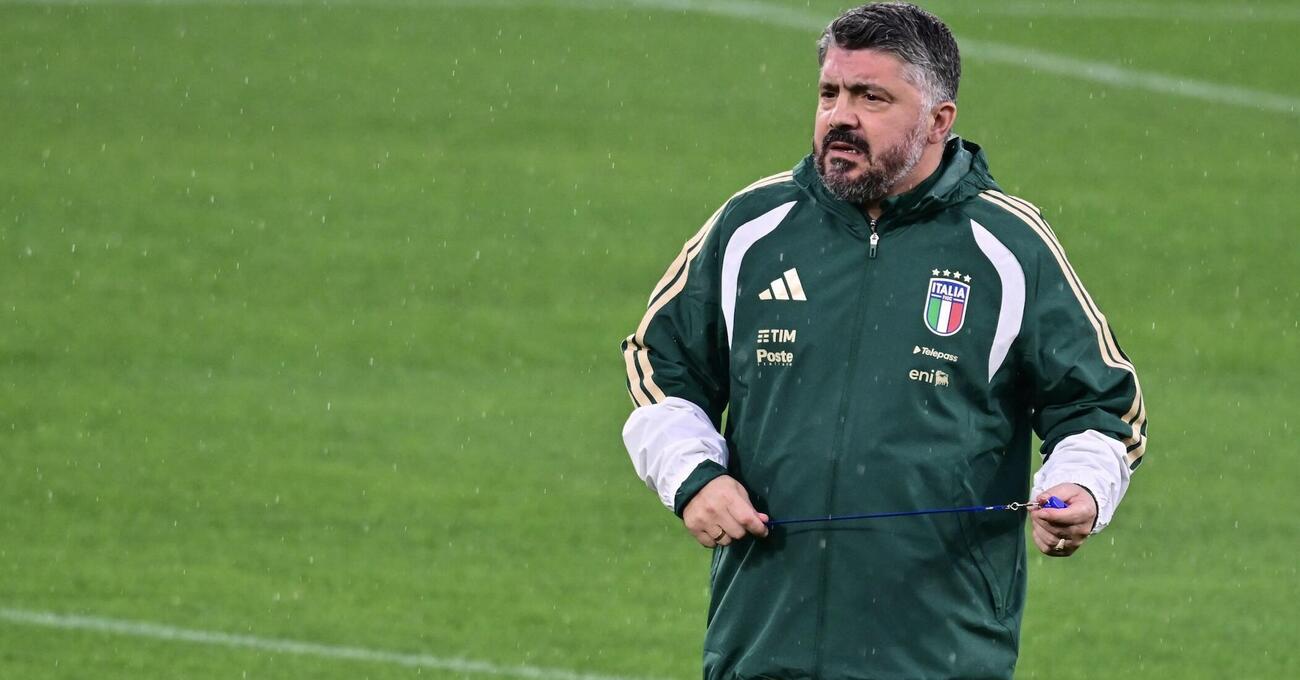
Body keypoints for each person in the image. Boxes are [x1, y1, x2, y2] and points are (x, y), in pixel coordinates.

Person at [619, 2, 1147, 678]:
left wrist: (1080, 486)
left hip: (934, 656)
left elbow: (1101, 406)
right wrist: (694, 478)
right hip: (763, 648)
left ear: (939, 121)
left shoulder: (1008, 248)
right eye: (829, 93)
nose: (840, 116)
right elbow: (659, 364)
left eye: (871, 97)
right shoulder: (752, 228)